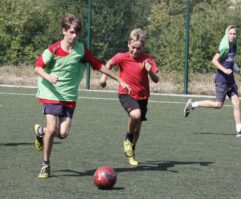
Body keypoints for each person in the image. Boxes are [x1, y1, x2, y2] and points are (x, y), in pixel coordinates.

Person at [33, 13, 129, 178]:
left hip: (69, 95)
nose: (75, 35)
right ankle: (46, 165)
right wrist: (48, 77)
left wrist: (120, 80)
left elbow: (98, 64)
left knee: (63, 134)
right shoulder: (54, 49)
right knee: (53, 128)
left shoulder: (81, 50)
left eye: (77, 32)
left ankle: (40, 131)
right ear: (63, 31)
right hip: (50, 91)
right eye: (71, 32)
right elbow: (37, 67)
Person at [99, 28, 159, 166]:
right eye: (133, 48)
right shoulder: (121, 56)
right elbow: (108, 64)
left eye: (139, 49)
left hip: (143, 96)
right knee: (136, 115)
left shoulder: (147, 59)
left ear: (143, 47)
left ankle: (131, 151)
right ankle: (127, 139)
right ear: (128, 44)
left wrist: (150, 71)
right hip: (126, 93)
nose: (135, 51)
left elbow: (156, 80)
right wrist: (103, 78)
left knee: (138, 128)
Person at [183, 25, 241, 138]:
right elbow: (214, 61)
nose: (232, 36)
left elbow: (232, 62)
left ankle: (239, 130)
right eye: (230, 33)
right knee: (218, 105)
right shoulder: (224, 49)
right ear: (227, 35)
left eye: (234, 34)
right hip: (221, 81)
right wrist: (224, 70)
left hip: (231, 81)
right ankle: (193, 104)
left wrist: (238, 70)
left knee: (237, 103)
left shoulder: (234, 47)